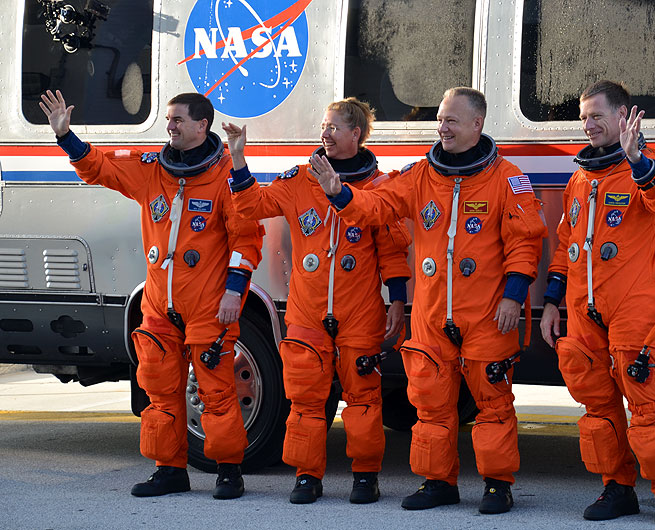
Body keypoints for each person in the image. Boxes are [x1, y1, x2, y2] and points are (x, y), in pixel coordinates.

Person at [313, 87, 547, 514]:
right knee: (431, 404)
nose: (443, 127)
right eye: (440, 119)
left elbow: (525, 244)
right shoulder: (421, 176)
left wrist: (514, 297)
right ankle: (438, 482)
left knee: (493, 404)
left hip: (488, 314)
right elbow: (377, 208)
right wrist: (340, 194)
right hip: (433, 315)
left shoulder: (506, 178)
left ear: (477, 124)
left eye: (452, 121)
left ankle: (497, 485)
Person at [39, 90, 264, 500]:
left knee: (215, 392)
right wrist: (65, 135)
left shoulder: (225, 178)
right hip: (161, 304)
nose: (170, 126)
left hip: (208, 305)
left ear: (202, 125)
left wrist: (235, 294)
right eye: (168, 119)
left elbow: (247, 239)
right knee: (159, 391)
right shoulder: (152, 169)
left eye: (178, 119)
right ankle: (169, 471)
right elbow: (99, 168)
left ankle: (229, 471)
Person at [225, 98, 411, 505]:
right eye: (323, 126)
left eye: (333, 127)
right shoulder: (298, 181)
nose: (324, 133)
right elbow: (252, 206)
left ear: (356, 134)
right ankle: (308, 476)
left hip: (360, 312)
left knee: (363, 397)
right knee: (306, 397)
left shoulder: (378, 188)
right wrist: (238, 159)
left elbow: (393, 253)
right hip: (308, 311)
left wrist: (397, 301)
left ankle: (365, 477)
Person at [539, 80, 655, 525]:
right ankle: (616, 487)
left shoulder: (649, 165)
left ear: (624, 117)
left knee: (644, 403)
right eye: (584, 117)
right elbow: (565, 245)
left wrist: (637, 159)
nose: (587, 125)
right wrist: (551, 304)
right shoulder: (580, 178)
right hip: (583, 309)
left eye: (596, 116)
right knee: (597, 404)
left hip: (633, 306)